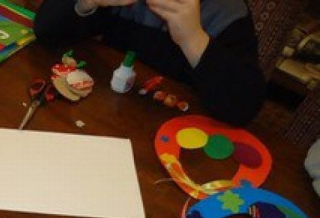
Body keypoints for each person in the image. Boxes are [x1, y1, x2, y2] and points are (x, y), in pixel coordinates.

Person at [33, 0, 265, 126]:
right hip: (105, 115)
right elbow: (47, 32)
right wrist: (85, 2)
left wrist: (193, 38)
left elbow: (242, 107)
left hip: (176, 135)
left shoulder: (227, 13)